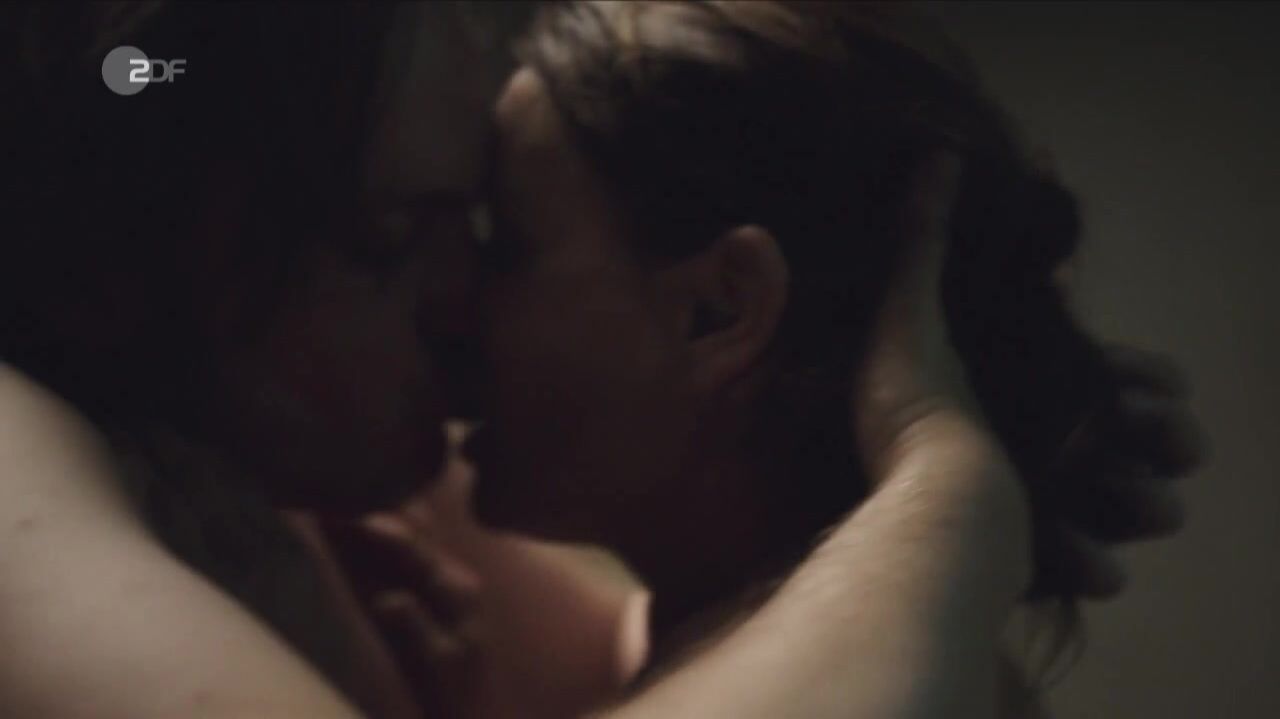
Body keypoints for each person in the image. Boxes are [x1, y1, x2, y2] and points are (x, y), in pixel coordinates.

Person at [0, 2, 1200, 719]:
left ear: (720, 308)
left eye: (490, 235)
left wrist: (982, 431)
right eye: (387, 238)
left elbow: (681, 649)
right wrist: (948, 490)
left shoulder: (343, 507)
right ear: (146, 255)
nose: (460, 303)